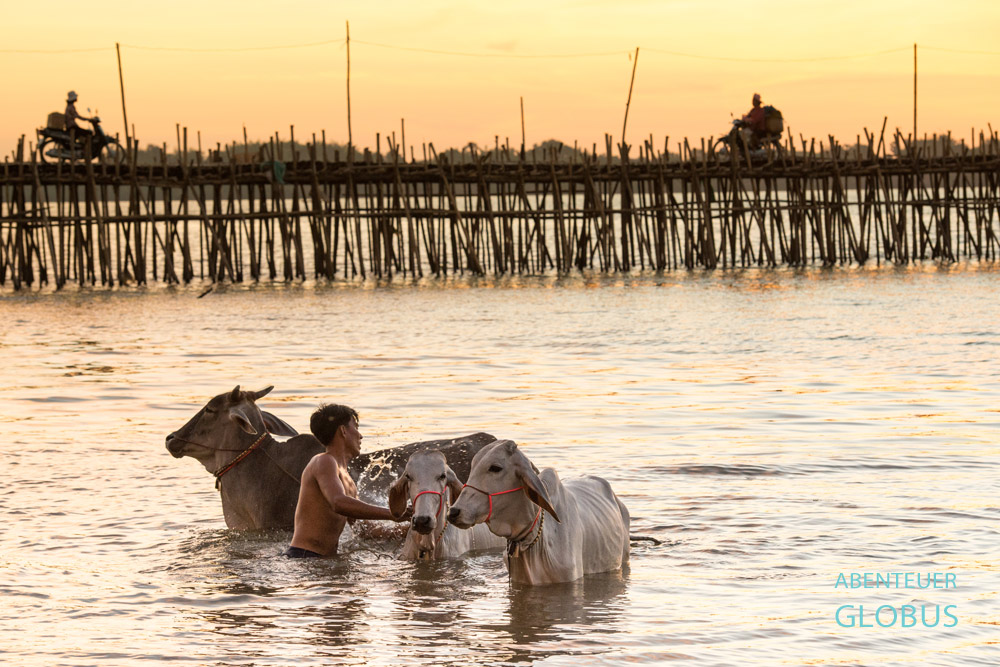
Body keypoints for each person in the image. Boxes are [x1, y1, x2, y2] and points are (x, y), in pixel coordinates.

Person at [284, 404, 409, 558]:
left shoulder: (346, 478)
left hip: (324, 560)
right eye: (356, 427)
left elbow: (363, 530)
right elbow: (338, 503)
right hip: (304, 556)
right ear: (343, 431)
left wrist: (408, 528)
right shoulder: (324, 461)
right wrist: (393, 513)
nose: (360, 435)